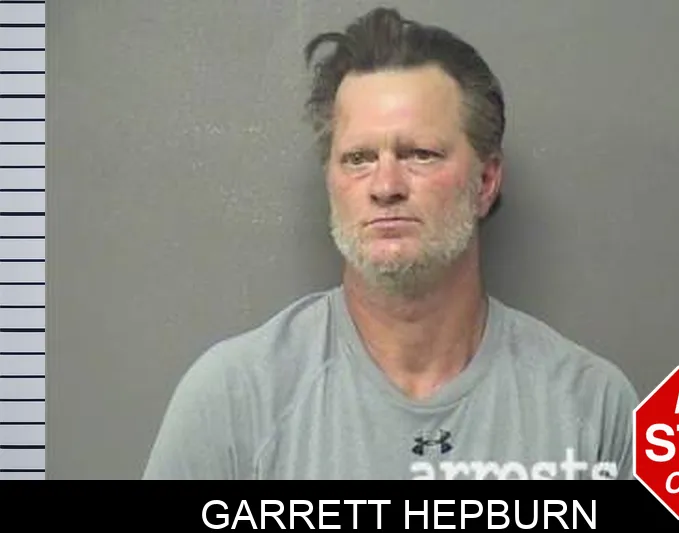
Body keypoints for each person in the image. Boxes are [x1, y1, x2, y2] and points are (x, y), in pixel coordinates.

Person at [142, 7, 639, 480]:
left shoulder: (593, 409)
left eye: (419, 154)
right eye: (358, 158)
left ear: (486, 182)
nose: (385, 186)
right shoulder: (234, 401)